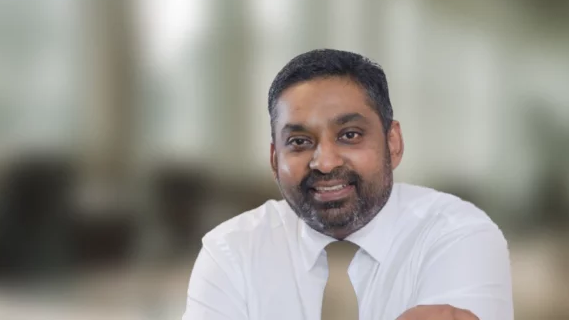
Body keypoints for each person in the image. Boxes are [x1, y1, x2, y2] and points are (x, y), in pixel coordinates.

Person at [182, 49, 513, 320]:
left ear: (393, 142)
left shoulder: (459, 234)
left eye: (350, 135)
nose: (325, 163)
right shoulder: (230, 251)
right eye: (298, 141)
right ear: (274, 159)